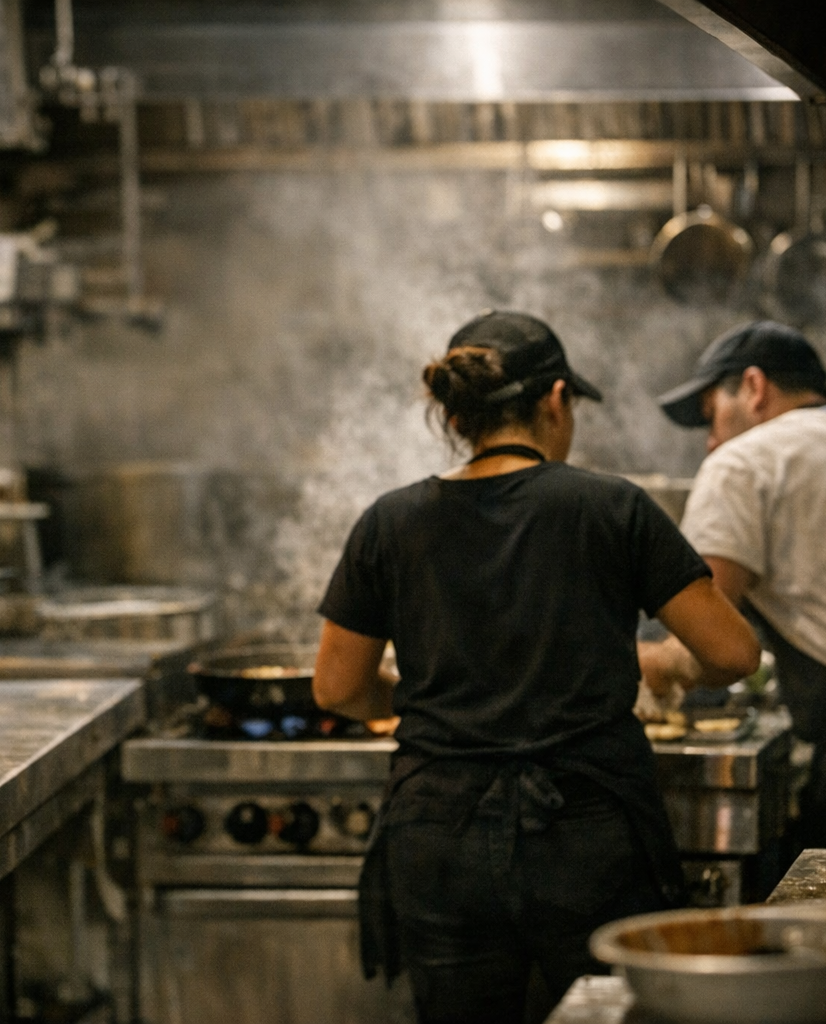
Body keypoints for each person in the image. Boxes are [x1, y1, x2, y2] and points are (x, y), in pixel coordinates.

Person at [313, 310, 759, 1024]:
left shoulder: (389, 521)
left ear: (456, 413)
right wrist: (682, 673)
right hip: (586, 833)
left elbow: (336, 688)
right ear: (556, 399)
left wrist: (409, 696)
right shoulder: (611, 507)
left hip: (440, 834)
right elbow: (733, 653)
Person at [653, 319, 826, 850]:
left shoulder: (743, 462)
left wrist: (642, 665)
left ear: (754, 387)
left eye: (710, 416)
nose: (710, 440)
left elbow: (706, 638)